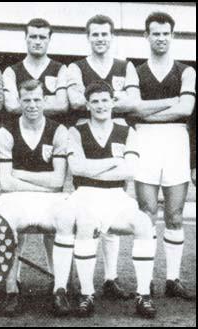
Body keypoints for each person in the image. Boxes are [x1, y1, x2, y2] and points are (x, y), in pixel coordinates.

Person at [65, 81, 156, 318]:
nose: (100, 105)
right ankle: (87, 294)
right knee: (85, 224)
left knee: (144, 224)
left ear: (113, 102)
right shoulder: (76, 131)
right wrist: (114, 161)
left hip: (116, 196)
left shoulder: (127, 132)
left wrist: (92, 167)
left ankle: (143, 294)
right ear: (87, 104)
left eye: (105, 100)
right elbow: (76, 169)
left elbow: (130, 170)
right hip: (85, 194)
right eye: (94, 101)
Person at [66, 15, 141, 299]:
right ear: (89, 37)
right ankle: (77, 280)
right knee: (83, 207)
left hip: (117, 131)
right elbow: (75, 100)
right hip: (86, 131)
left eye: (105, 34)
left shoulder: (125, 65)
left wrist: (105, 100)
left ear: (112, 37)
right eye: (95, 34)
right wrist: (111, 98)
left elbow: (135, 101)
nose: (100, 38)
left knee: (113, 204)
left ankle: (110, 278)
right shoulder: (77, 66)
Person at [131, 12, 195, 299]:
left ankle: (173, 279)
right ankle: (145, 283)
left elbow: (186, 110)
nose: (160, 38)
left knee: (175, 214)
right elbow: (133, 110)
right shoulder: (135, 70)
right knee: (146, 212)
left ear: (173, 36)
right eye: (155, 33)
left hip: (175, 141)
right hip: (145, 140)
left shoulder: (187, 71)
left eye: (165, 33)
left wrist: (148, 110)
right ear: (146, 36)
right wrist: (170, 104)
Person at [0, 79, 74, 316]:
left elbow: (58, 180)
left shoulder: (58, 130)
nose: (32, 105)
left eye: (37, 99)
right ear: (19, 102)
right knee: (5, 220)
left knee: (64, 219)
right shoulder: (6, 131)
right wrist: (44, 181)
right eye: (27, 100)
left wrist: (20, 174)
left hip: (49, 198)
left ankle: (60, 288)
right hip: (16, 196)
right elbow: (5, 181)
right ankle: (12, 289)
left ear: (45, 100)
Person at [3, 18, 68, 125]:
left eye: (42, 37)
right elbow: (12, 106)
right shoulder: (11, 71)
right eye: (33, 37)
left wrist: (25, 103)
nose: (37, 42)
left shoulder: (61, 69)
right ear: (26, 38)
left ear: (49, 39)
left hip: (52, 130)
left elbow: (62, 105)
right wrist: (51, 101)